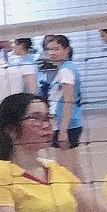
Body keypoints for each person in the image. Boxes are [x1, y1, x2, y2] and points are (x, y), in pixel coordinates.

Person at [37, 34, 84, 162]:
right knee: (73, 166)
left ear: (66, 50)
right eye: (49, 50)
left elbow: (69, 101)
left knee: (65, 167)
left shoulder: (66, 71)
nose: (52, 53)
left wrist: (63, 131)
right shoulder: (66, 68)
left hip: (66, 125)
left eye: (56, 49)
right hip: (70, 123)